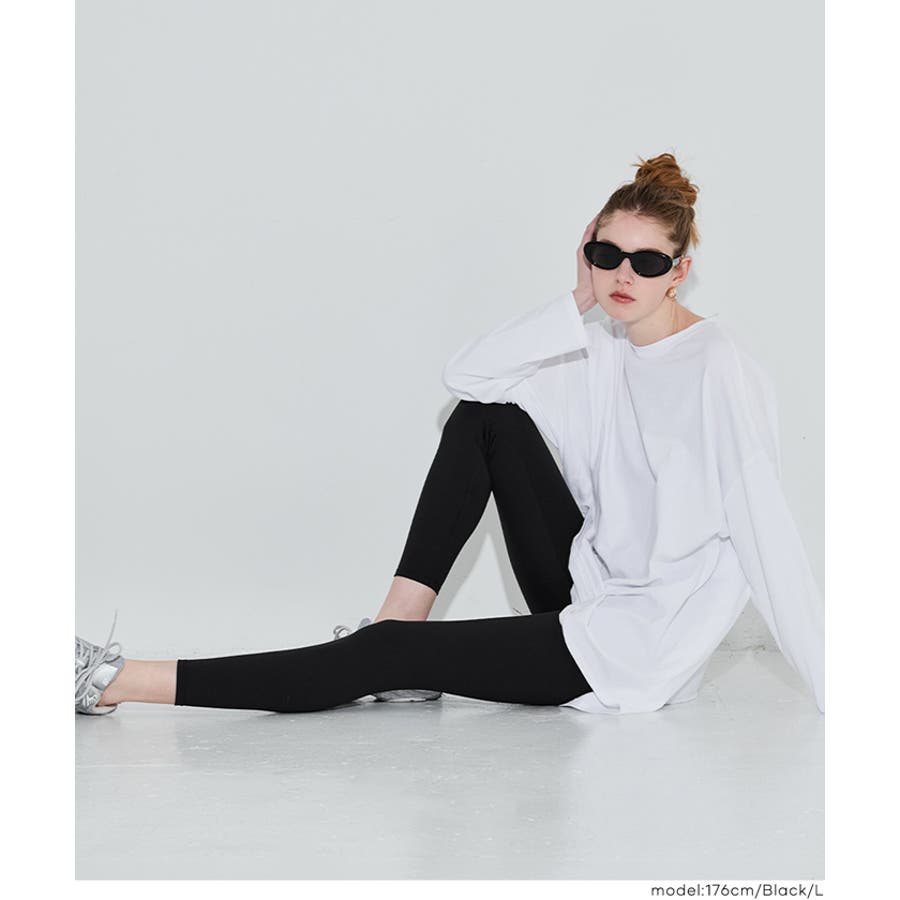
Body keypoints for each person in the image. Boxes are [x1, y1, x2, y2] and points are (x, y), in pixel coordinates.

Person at [74, 152, 825, 718]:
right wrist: (577, 299)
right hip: (588, 588)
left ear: (680, 271)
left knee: (379, 654)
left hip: (630, 643)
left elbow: (765, 532)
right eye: (607, 256)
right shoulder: (599, 346)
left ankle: (120, 681)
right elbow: (468, 377)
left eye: (647, 261)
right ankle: (398, 625)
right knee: (484, 419)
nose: (622, 275)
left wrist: (835, 689)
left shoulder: (716, 366)